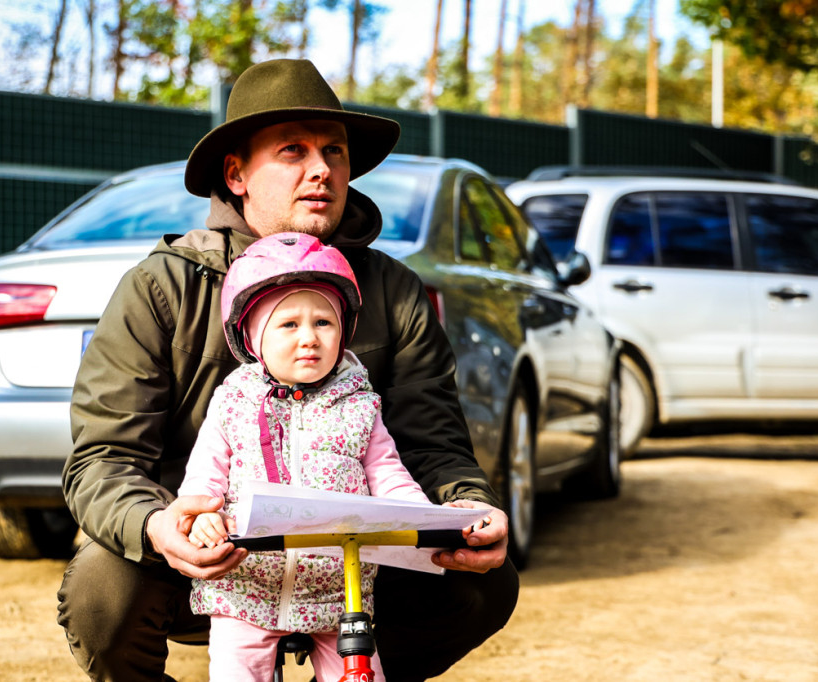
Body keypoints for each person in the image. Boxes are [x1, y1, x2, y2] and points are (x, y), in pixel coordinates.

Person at [58, 58, 519, 682]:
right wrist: (159, 524)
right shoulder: (160, 289)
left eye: (334, 150)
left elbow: (434, 445)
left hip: (354, 566)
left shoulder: (393, 290)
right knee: (100, 591)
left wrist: (469, 506)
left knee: (482, 583)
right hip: (205, 557)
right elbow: (102, 461)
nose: (322, 169)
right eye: (293, 150)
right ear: (236, 173)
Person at [179, 232, 445, 681]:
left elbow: (388, 473)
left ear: (344, 330)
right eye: (288, 325)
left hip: (338, 591)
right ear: (252, 336)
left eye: (323, 322)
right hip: (246, 584)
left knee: (363, 671)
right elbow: (203, 478)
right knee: (235, 671)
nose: (309, 338)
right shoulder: (233, 402)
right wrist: (201, 516)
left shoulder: (359, 405)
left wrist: (420, 516)